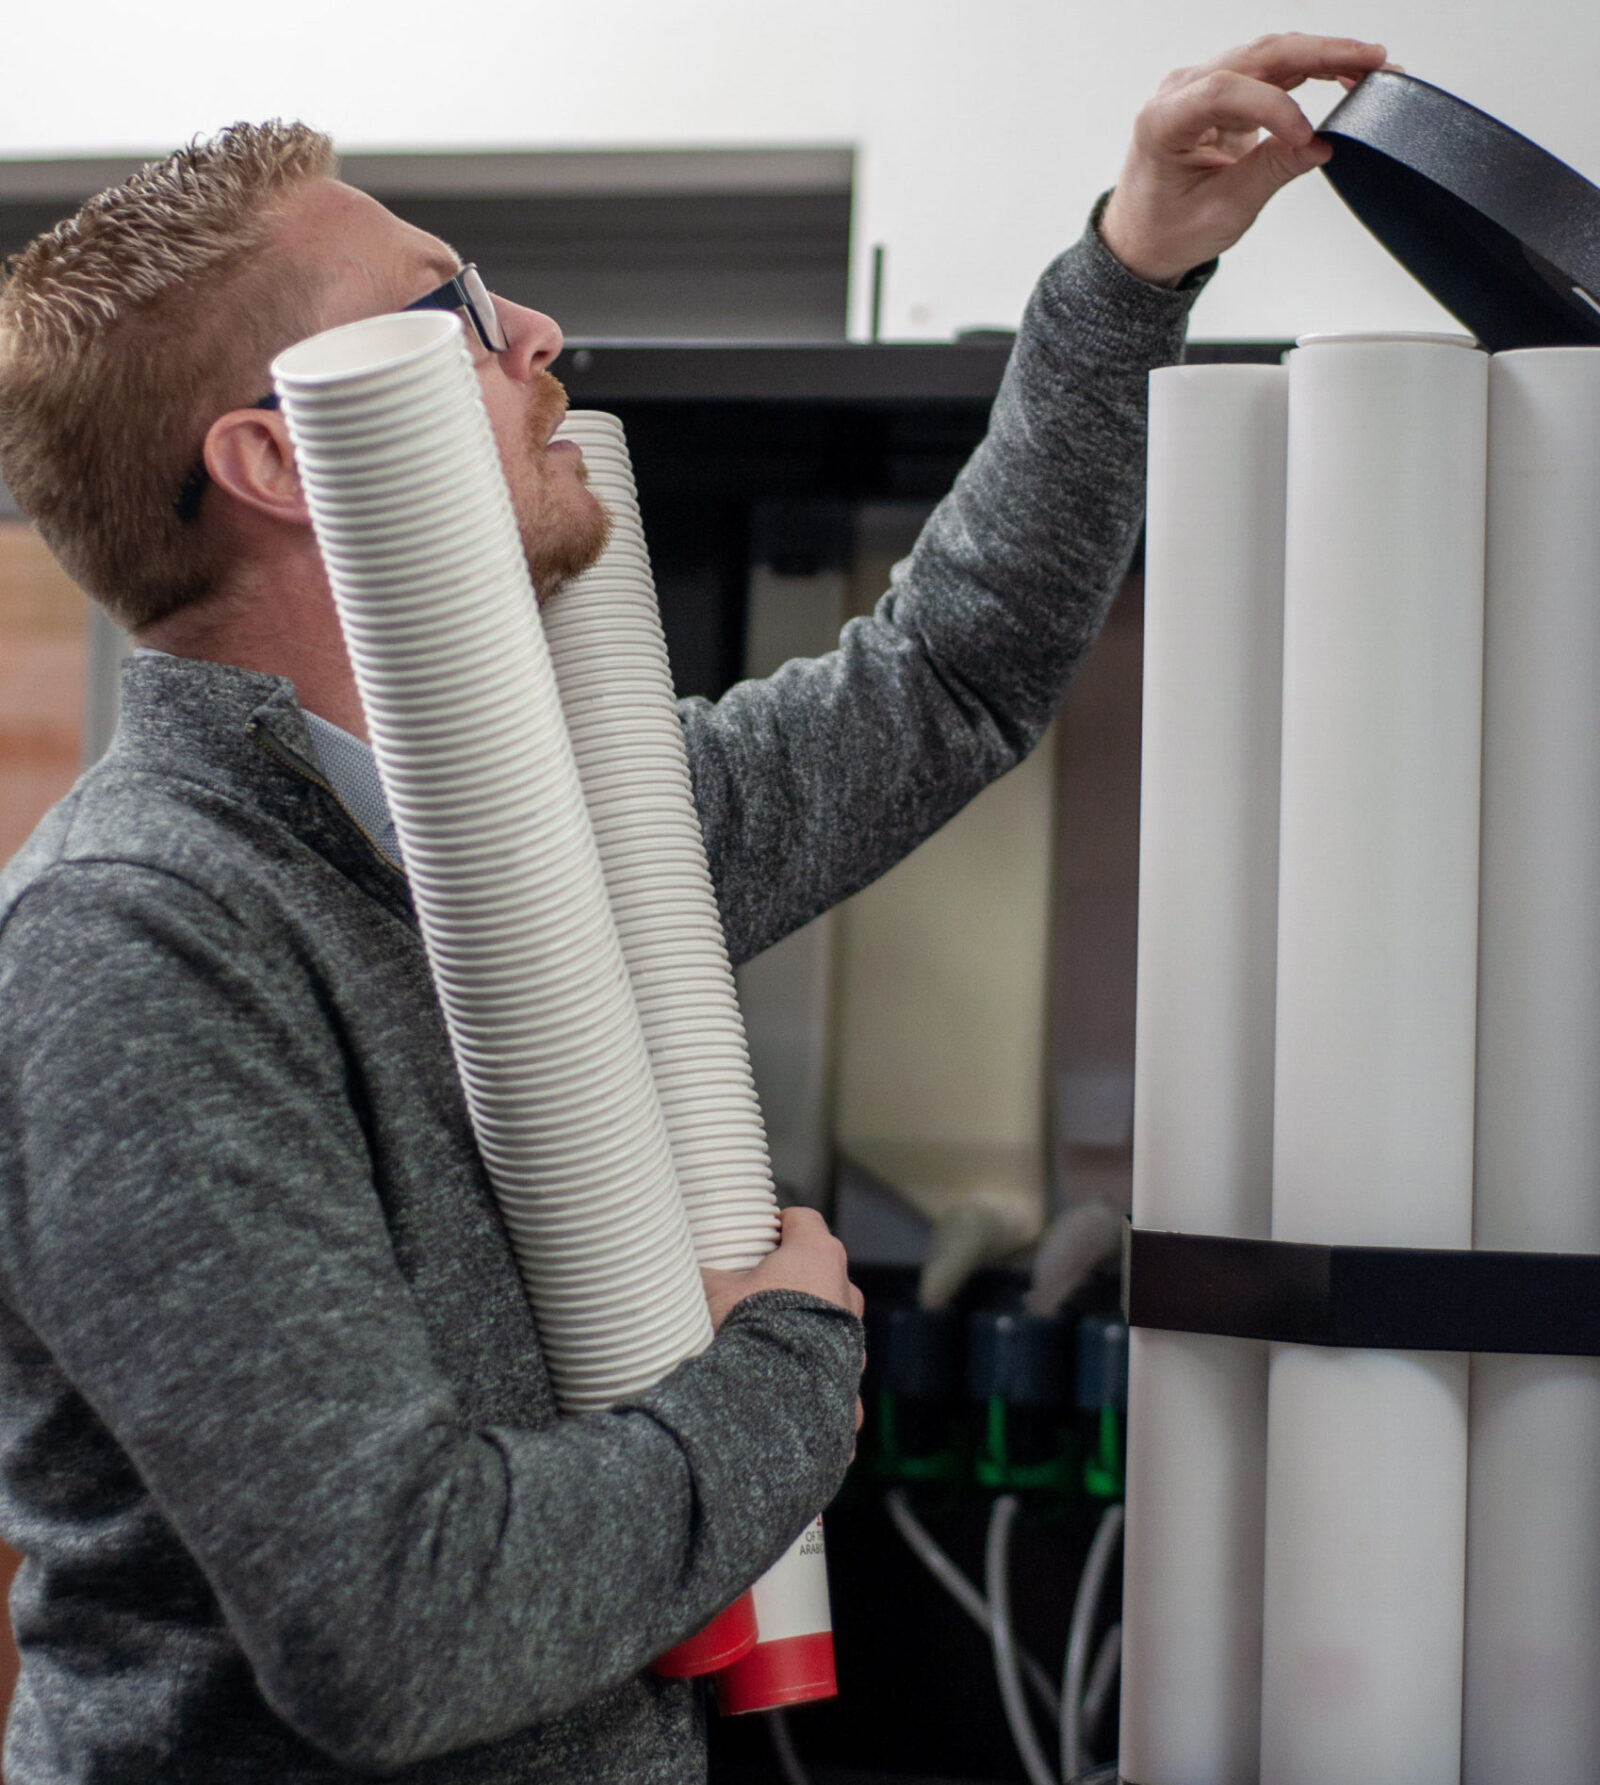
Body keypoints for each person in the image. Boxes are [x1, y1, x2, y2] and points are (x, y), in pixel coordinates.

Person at [0, 32, 1386, 1784]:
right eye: (456, 311)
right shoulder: (135, 951)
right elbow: (402, 1621)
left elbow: (949, 678)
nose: (534, 339)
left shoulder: (553, 820)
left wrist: (1134, 263)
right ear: (288, 459)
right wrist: (791, 1364)